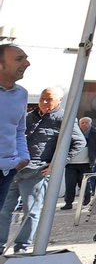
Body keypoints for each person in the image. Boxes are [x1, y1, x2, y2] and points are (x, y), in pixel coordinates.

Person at [3, 84, 83, 253]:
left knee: (30, 212)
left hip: (37, 172)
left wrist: (57, 164)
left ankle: (21, 248)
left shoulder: (64, 120)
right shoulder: (28, 117)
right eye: (42, 98)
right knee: (4, 209)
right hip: (15, 169)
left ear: (60, 100)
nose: (44, 102)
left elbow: (79, 143)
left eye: (49, 99)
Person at [0, 40, 31, 249]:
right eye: (19, 59)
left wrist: (23, 156)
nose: (27, 63)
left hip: (7, 171)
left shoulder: (22, 94)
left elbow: (19, 129)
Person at [60, 115, 96, 209]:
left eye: (86, 123)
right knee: (70, 184)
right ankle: (68, 203)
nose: (84, 124)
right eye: (82, 123)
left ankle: (86, 197)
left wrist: (93, 155)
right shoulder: (73, 132)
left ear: (90, 123)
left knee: (84, 182)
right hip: (71, 163)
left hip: (86, 162)